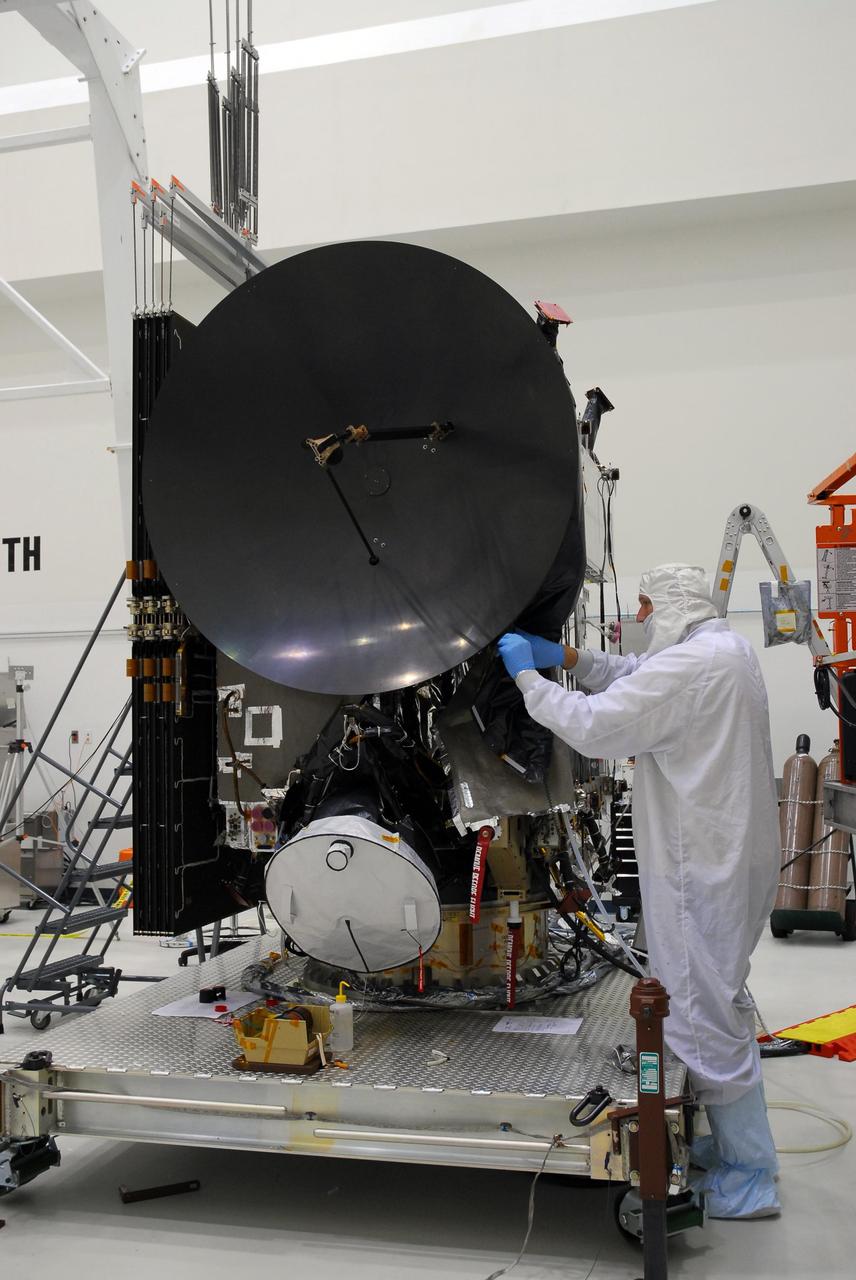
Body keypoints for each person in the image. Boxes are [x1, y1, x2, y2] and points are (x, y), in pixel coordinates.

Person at [497, 563, 782, 1219]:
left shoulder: (691, 668)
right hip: (733, 860)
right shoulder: (722, 651)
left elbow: (595, 724)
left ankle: (749, 1177)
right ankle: (739, 1148)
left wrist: (526, 677)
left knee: (700, 1015)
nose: (642, 622)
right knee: (721, 999)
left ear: (669, 607)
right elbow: (636, 680)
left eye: (647, 611)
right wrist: (566, 654)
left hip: (699, 873)